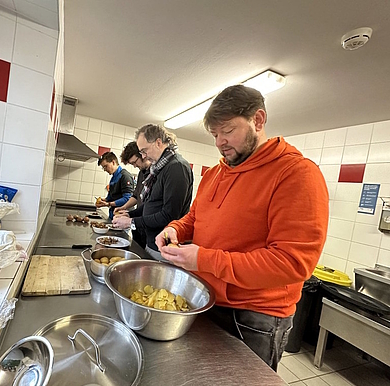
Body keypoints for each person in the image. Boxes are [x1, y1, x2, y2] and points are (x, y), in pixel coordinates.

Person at [155, 85, 329, 371]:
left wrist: (202, 258)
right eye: (214, 135)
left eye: (228, 131)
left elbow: (292, 263)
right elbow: (194, 218)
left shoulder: (296, 174)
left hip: (255, 319)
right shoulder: (215, 173)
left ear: (258, 121)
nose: (220, 142)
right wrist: (175, 228)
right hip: (205, 300)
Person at [112, 124, 193, 261]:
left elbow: (169, 215)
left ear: (158, 143)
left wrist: (131, 222)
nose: (144, 156)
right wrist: (129, 214)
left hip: (165, 248)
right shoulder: (159, 169)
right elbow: (151, 203)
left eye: (144, 151)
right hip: (152, 243)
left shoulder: (176, 167)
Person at [116, 141, 152, 248]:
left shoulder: (155, 173)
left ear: (142, 154)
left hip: (148, 223)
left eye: (134, 162)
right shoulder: (142, 173)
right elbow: (136, 196)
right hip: (138, 222)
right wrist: (123, 207)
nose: (135, 166)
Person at [95, 151, 134, 219]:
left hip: (123, 215)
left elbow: (127, 198)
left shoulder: (125, 176)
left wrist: (109, 204)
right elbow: (111, 196)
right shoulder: (113, 178)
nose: (105, 170)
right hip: (113, 214)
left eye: (105, 166)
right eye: (103, 168)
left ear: (113, 162)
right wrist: (104, 201)